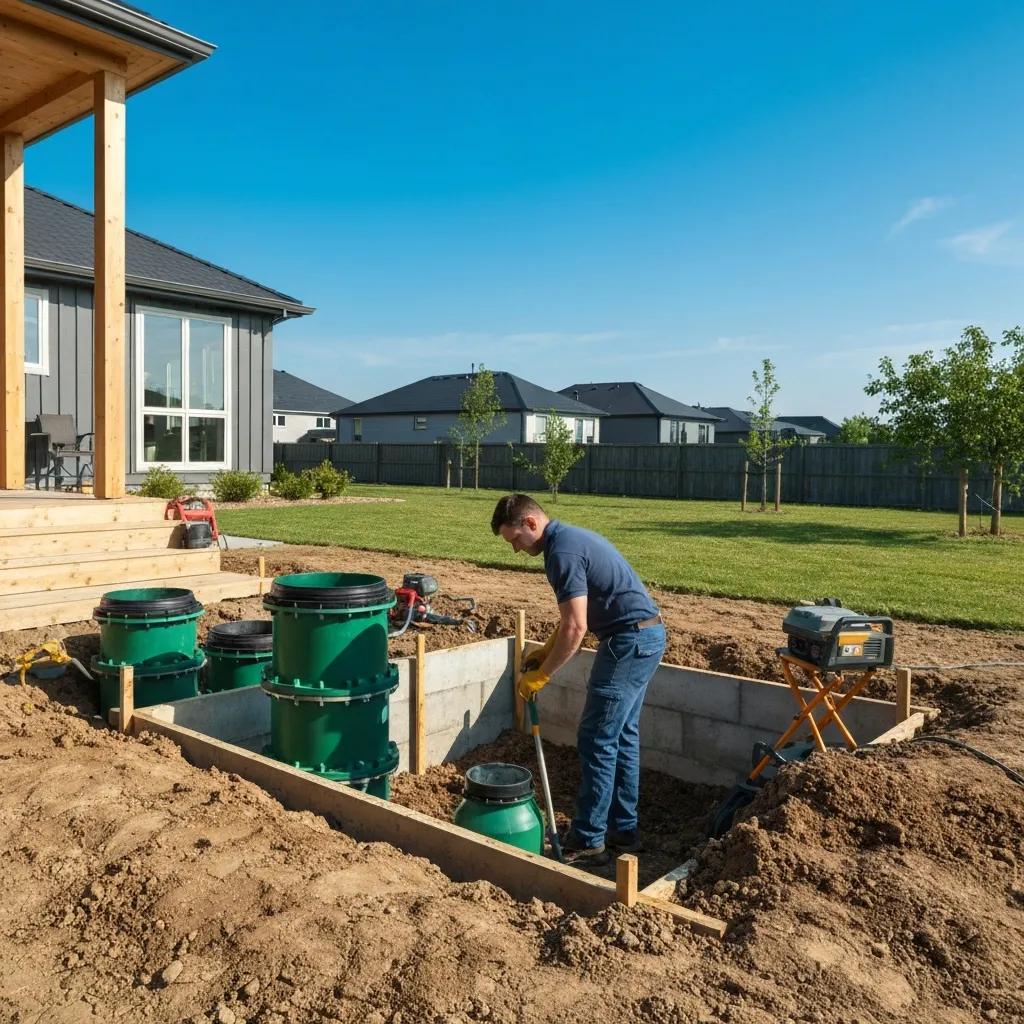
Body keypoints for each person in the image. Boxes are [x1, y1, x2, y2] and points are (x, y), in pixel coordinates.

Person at [491, 493, 666, 866]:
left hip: (628, 641)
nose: (516, 549)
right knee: (621, 735)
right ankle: (623, 830)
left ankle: (589, 840)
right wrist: (545, 650)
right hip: (645, 636)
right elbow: (573, 617)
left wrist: (542, 675)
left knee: (596, 737)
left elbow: (576, 627)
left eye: (515, 539)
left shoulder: (561, 553)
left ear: (531, 523)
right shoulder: (568, 540)